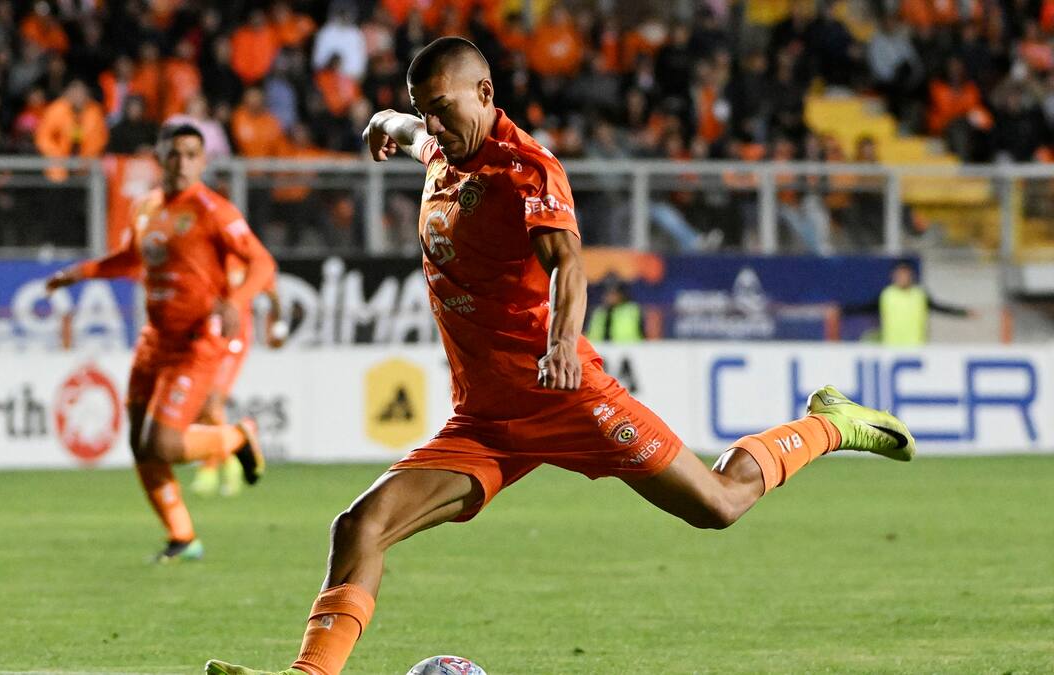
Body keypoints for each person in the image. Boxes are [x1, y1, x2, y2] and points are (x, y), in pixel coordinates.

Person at [205, 38, 917, 675]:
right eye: (424, 111)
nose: (434, 125)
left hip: (564, 394)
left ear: (485, 95)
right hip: (483, 418)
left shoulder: (528, 169)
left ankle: (829, 423)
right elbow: (406, 127)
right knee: (359, 526)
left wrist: (559, 345)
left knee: (719, 504)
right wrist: (386, 125)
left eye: (443, 109)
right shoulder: (439, 148)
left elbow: (567, 265)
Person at [46, 123, 276, 562]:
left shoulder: (214, 210)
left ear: (202, 161)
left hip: (195, 342)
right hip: (154, 341)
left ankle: (237, 438)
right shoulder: (146, 206)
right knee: (140, 446)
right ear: (159, 157)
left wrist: (236, 300)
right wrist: (83, 271)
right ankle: (183, 538)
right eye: (174, 154)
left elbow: (262, 262)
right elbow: (131, 258)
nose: (182, 162)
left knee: (164, 444)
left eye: (192, 154)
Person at [191, 263, 288, 498]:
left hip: (233, 340)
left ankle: (215, 468)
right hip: (206, 339)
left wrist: (277, 328)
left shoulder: (244, 258)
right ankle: (235, 448)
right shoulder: (206, 254)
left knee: (212, 403)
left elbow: (272, 292)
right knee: (201, 408)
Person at [847, 260, 974, 346]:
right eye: (899, 275)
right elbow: (863, 308)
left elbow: (940, 308)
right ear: (893, 276)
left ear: (911, 276)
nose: (902, 278)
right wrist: (841, 310)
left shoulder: (919, 295)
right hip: (892, 348)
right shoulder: (886, 295)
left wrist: (962, 312)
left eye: (905, 274)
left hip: (917, 347)